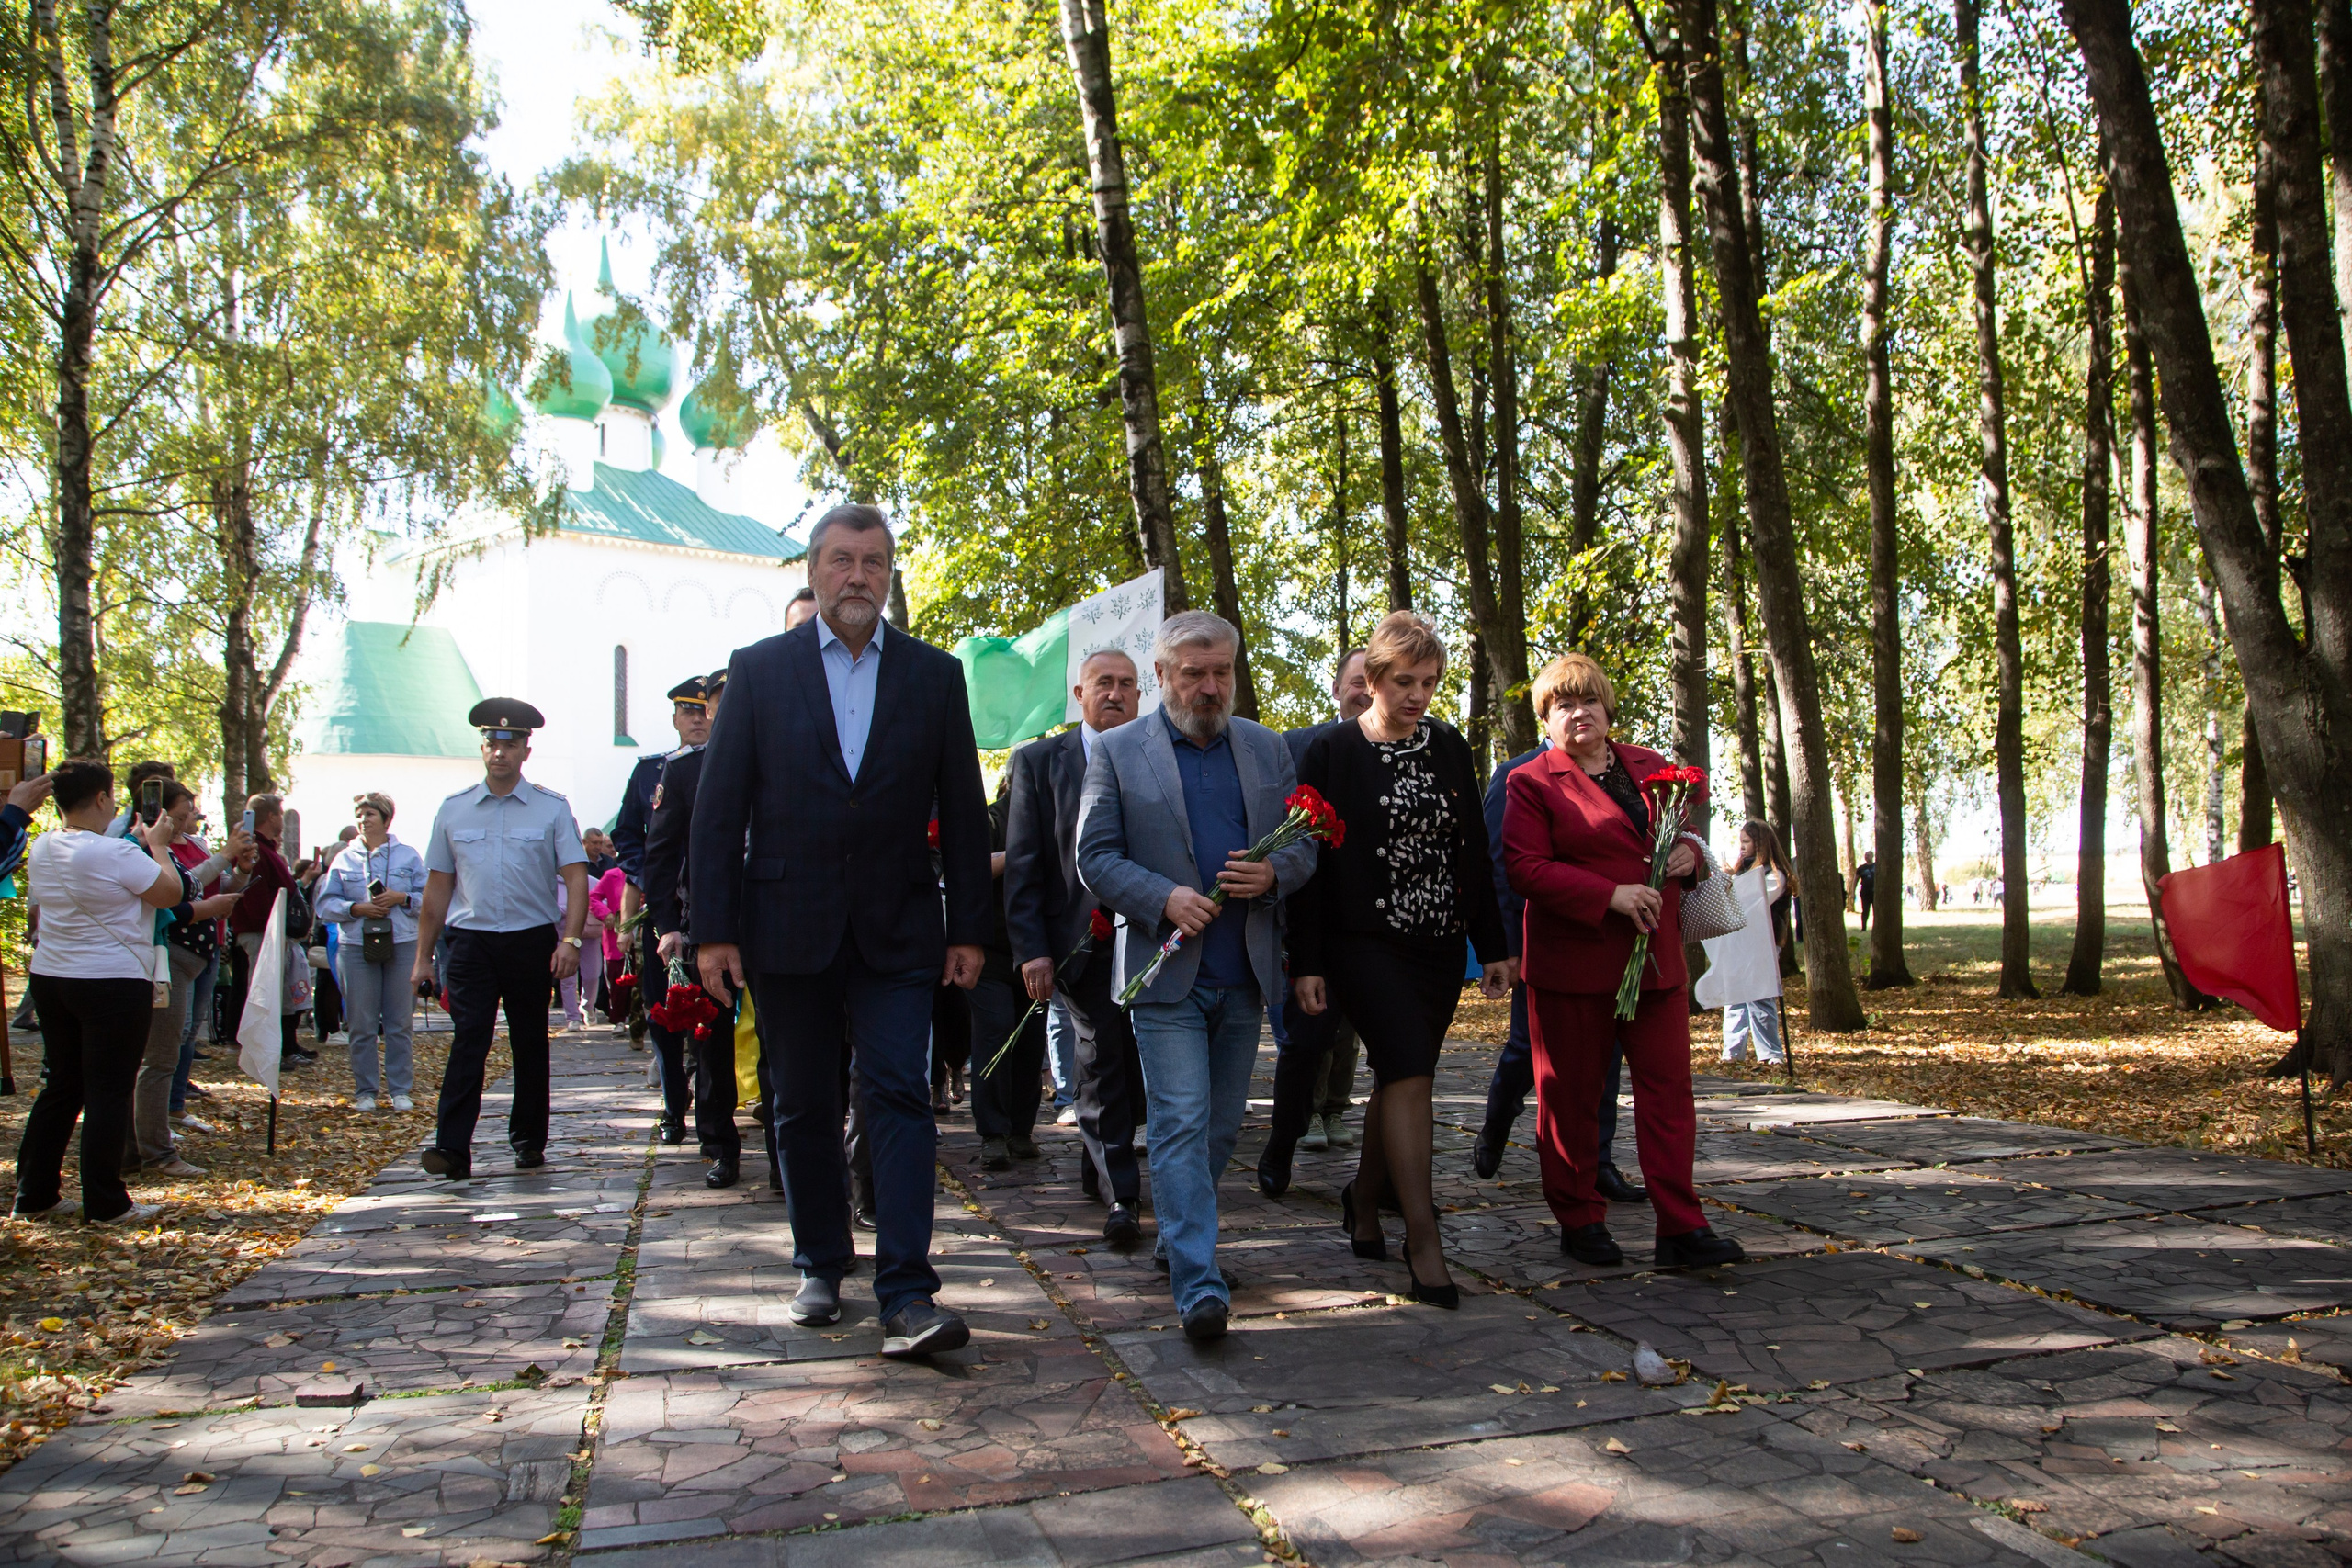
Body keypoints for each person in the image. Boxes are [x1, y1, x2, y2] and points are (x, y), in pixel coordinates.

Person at [691, 502, 991, 1359]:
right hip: (786, 922)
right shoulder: (758, 671)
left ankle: (906, 1292)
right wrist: (712, 931)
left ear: (891, 575)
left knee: (899, 1091)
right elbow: (719, 812)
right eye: (841, 561)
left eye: (873, 562)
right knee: (803, 1100)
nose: (857, 576)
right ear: (816, 570)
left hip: (900, 926)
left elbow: (964, 813)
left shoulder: (935, 677)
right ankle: (821, 1259)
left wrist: (968, 924)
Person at [1076, 610, 1317, 1342]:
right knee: (1179, 1121)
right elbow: (1094, 855)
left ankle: (1178, 1237)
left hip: (1244, 974)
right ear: (1162, 676)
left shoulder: (1267, 748)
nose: (1210, 687)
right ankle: (1198, 1279)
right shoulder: (1118, 751)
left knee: (1218, 1127)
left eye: (1222, 672)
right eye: (1194, 673)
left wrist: (1274, 870)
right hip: (1164, 973)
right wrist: (1163, 897)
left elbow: (1305, 848)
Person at [1280, 613, 1510, 1306]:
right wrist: (1307, 961)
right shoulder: (1331, 751)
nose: (1418, 695)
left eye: (1430, 682)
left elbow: (1473, 847)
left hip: (1439, 946)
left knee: (1400, 1077)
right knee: (1408, 1069)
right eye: (1404, 681)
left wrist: (1494, 945)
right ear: (1372, 679)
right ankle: (1422, 1235)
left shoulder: (1450, 746)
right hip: (1363, 945)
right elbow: (1312, 863)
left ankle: (1362, 1196)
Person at [1504, 653, 1745, 1270]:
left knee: (1669, 1094)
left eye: (1588, 700)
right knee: (1575, 1100)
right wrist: (1607, 895)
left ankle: (1681, 1227)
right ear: (1545, 720)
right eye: (1562, 704)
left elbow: (1681, 832)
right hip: (1574, 968)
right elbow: (1526, 868)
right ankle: (1579, 1216)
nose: (1578, 712)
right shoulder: (1530, 782)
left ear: (1609, 709)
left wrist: (1690, 852)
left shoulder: (1654, 768)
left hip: (1657, 963)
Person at [411, 700, 590, 1179]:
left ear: (525, 751)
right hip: (471, 941)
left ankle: (529, 1140)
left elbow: (576, 877)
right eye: (492, 744)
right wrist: (423, 957)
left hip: (530, 940)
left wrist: (569, 941)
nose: (499, 753)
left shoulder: (551, 809)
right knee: (470, 1038)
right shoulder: (454, 810)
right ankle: (451, 1148)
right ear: (483, 747)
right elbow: (437, 888)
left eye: (509, 745)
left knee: (530, 1040)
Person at [1004, 648, 1147, 1241]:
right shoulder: (1039, 762)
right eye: (1102, 683)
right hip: (1079, 944)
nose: (1115, 693)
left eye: (1126, 684)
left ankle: (1101, 1163)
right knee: (1100, 1057)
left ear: (1141, 695)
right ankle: (1124, 1197)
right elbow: (1025, 863)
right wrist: (1032, 948)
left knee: (1133, 1068)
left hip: (1152, 938)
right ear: (1079, 695)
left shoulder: (1154, 756)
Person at [14, 759, 192, 1225]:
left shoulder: (44, 847)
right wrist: (157, 847)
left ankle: (34, 1192)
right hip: (111, 981)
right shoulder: (118, 854)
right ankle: (106, 1200)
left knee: (62, 1085)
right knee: (109, 1090)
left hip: (52, 976)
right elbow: (169, 894)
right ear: (100, 799)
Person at [1470, 731, 1645, 1204]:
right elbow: (1499, 869)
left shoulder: (1620, 774)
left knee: (1606, 1053)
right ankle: (1497, 1122)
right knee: (1528, 1049)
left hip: (1605, 938)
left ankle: (1598, 1161)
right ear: (1547, 715)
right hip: (1540, 941)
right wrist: (1507, 947)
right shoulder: (1515, 774)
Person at [643, 667, 751, 1190]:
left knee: (780, 1043)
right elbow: (660, 857)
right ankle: (719, 1144)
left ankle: (783, 1153)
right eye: (717, 703)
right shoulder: (685, 773)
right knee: (711, 1044)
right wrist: (668, 924)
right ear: (706, 710)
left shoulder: (778, 759)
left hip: (772, 921)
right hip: (705, 923)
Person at [1268, 648, 1371, 1158]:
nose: (1366, 692)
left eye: (1375, 681)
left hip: (1368, 918)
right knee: (1309, 1024)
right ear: (1336, 688)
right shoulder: (1297, 746)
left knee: (1348, 1027)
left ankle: (1334, 1108)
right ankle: (1299, 1117)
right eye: (1357, 681)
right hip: (1310, 910)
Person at [614, 675, 715, 1141]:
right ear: (675, 718)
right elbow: (630, 836)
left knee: (712, 1018)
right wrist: (643, 878)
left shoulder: (731, 764)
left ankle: (718, 1118)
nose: (697, 718)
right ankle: (675, 1104)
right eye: (688, 711)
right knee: (663, 1010)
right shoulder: (651, 771)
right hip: (664, 910)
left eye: (703, 709)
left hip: (714, 909)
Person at [125, 784, 241, 1178]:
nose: (193, 817)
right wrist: (223, 861)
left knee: (170, 1049)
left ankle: (147, 1141)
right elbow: (178, 893)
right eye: (184, 811)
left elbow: (204, 885)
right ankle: (154, 1151)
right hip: (165, 956)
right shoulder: (139, 848)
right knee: (157, 1057)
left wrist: (238, 868)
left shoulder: (181, 844)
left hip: (191, 956)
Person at [313, 793, 427, 1112]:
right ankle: (366, 1090)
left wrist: (401, 898)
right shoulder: (344, 859)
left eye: (370, 814)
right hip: (356, 945)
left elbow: (428, 898)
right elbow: (325, 905)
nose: (364, 820)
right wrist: (356, 908)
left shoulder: (408, 856)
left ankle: (400, 1089)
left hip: (401, 942)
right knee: (361, 1021)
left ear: (387, 819)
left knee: (399, 1020)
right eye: (359, 814)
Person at [965, 773, 1048, 1170]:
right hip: (991, 954)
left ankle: (1020, 1130)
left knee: (1031, 1041)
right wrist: (1019, 854)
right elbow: (969, 870)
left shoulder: (1050, 816)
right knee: (995, 1033)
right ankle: (993, 1134)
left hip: (1035, 952)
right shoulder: (990, 819)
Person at [1698, 819, 1793, 1066]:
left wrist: (1734, 881)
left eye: (1747, 842)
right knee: (1735, 996)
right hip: (1740, 945)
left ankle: (1770, 1054)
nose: (1742, 847)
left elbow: (1752, 901)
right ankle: (1733, 1053)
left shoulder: (1775, 875)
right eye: (1741, 842)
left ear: (1760, 844)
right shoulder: (1742, 872)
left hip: (1763, 945)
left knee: (1760, 997)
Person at [226, 795, 306, 1070]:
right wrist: (271, 928)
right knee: (263, 993)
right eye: (280, 813)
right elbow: (255, 893)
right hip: (262, 931)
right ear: (272, 816)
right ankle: (261, 1053)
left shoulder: (268, 850)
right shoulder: (255, 850)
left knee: (276, 992)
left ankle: (279, 1049)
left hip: (269, 931)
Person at [1855, 849, 1877, 931]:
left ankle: (1876, 927)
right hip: (1865, 892)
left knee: (1876, 911)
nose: (1867, 857)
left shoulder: (1877, 866)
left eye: (1868, 855)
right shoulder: (1861, 868)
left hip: (1875, 892)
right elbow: (1856, 879)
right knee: (1865, 911)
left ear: (1872, 856)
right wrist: (1853, 891)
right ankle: (1863, 927)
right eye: (1865, 855)